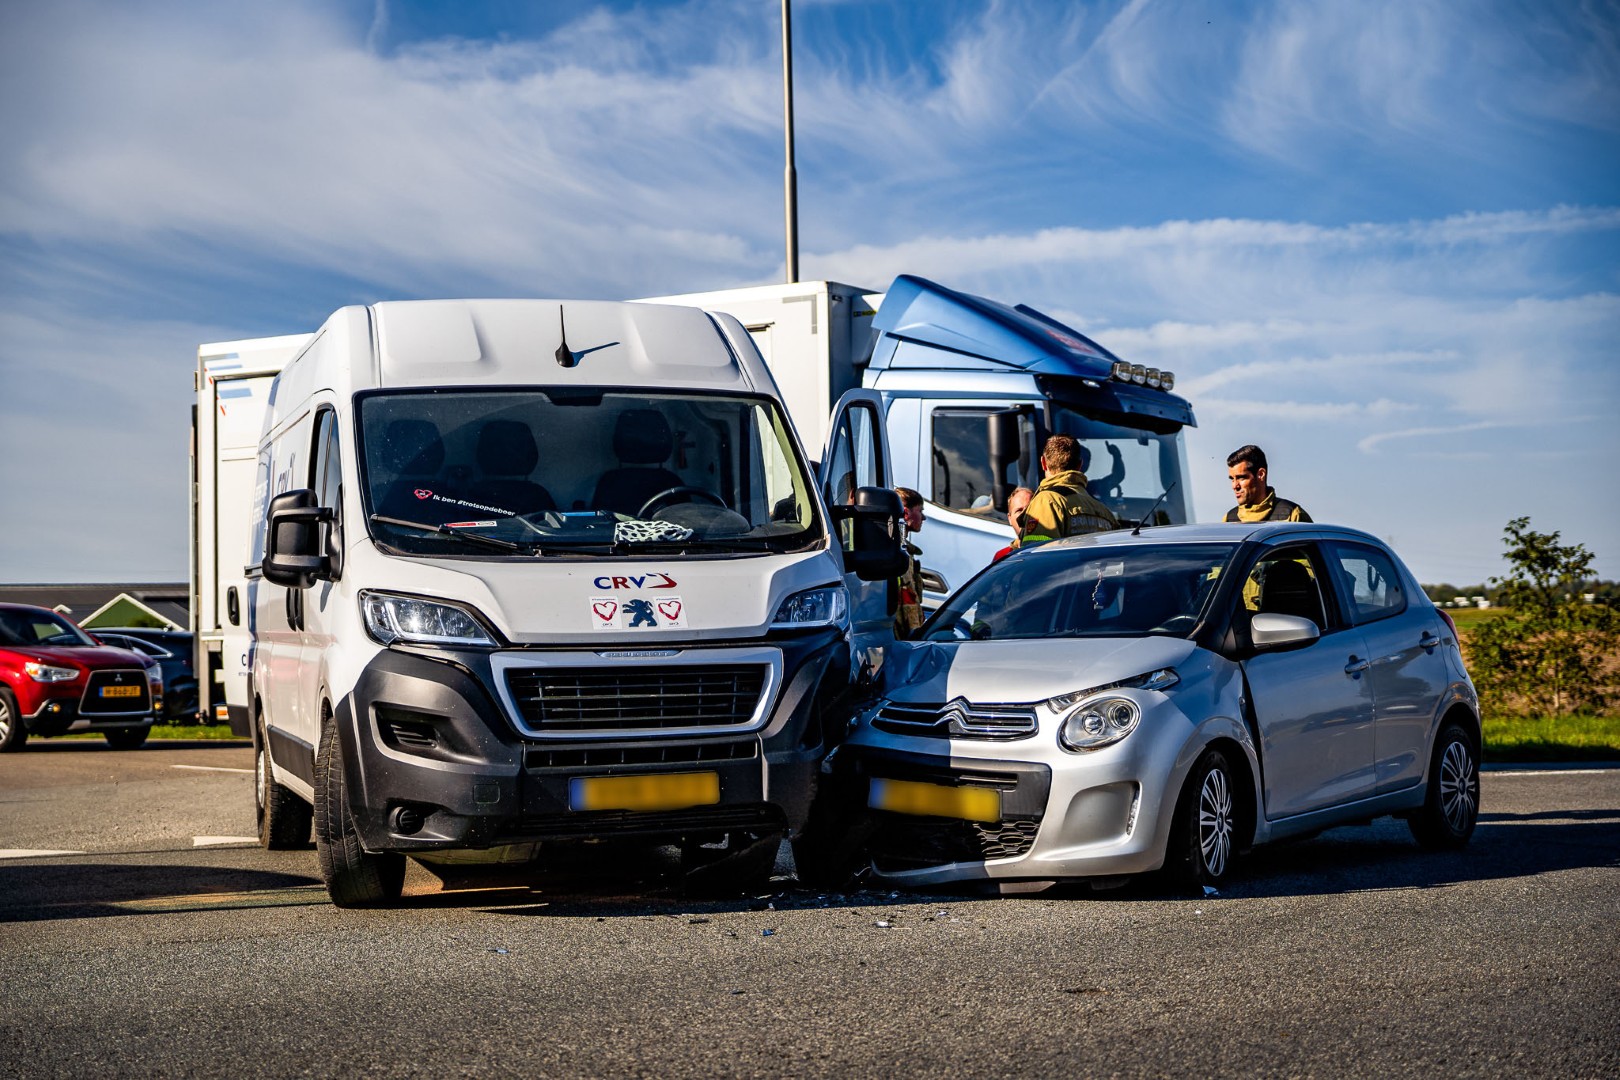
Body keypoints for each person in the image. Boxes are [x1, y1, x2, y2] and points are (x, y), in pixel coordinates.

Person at [1021, 436, 1119, 545]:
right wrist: (1117, 456)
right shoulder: (1105, 512)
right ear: (1080, 465)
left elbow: (1037, 551)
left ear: (1043, 462)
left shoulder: (1046, 501)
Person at [1224, 445, 1312, 523]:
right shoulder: (1228, 520)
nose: (1235, 486)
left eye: (1241, 478)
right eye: (1232, 479)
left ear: (1261, 474)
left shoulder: (1292, 515)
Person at [893, 487, 927, 634]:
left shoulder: (901, 548)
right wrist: (915, 633)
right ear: (906, 513)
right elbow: (908, 597)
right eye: (920, 511)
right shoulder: (900, 552)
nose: (923, 518)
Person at [992, 486, 1035, 562]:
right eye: (1019, 510)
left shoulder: (1049, 550)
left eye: (1029, 509)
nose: (1024, 515)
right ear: (1010, 518)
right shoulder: (1001, 556)